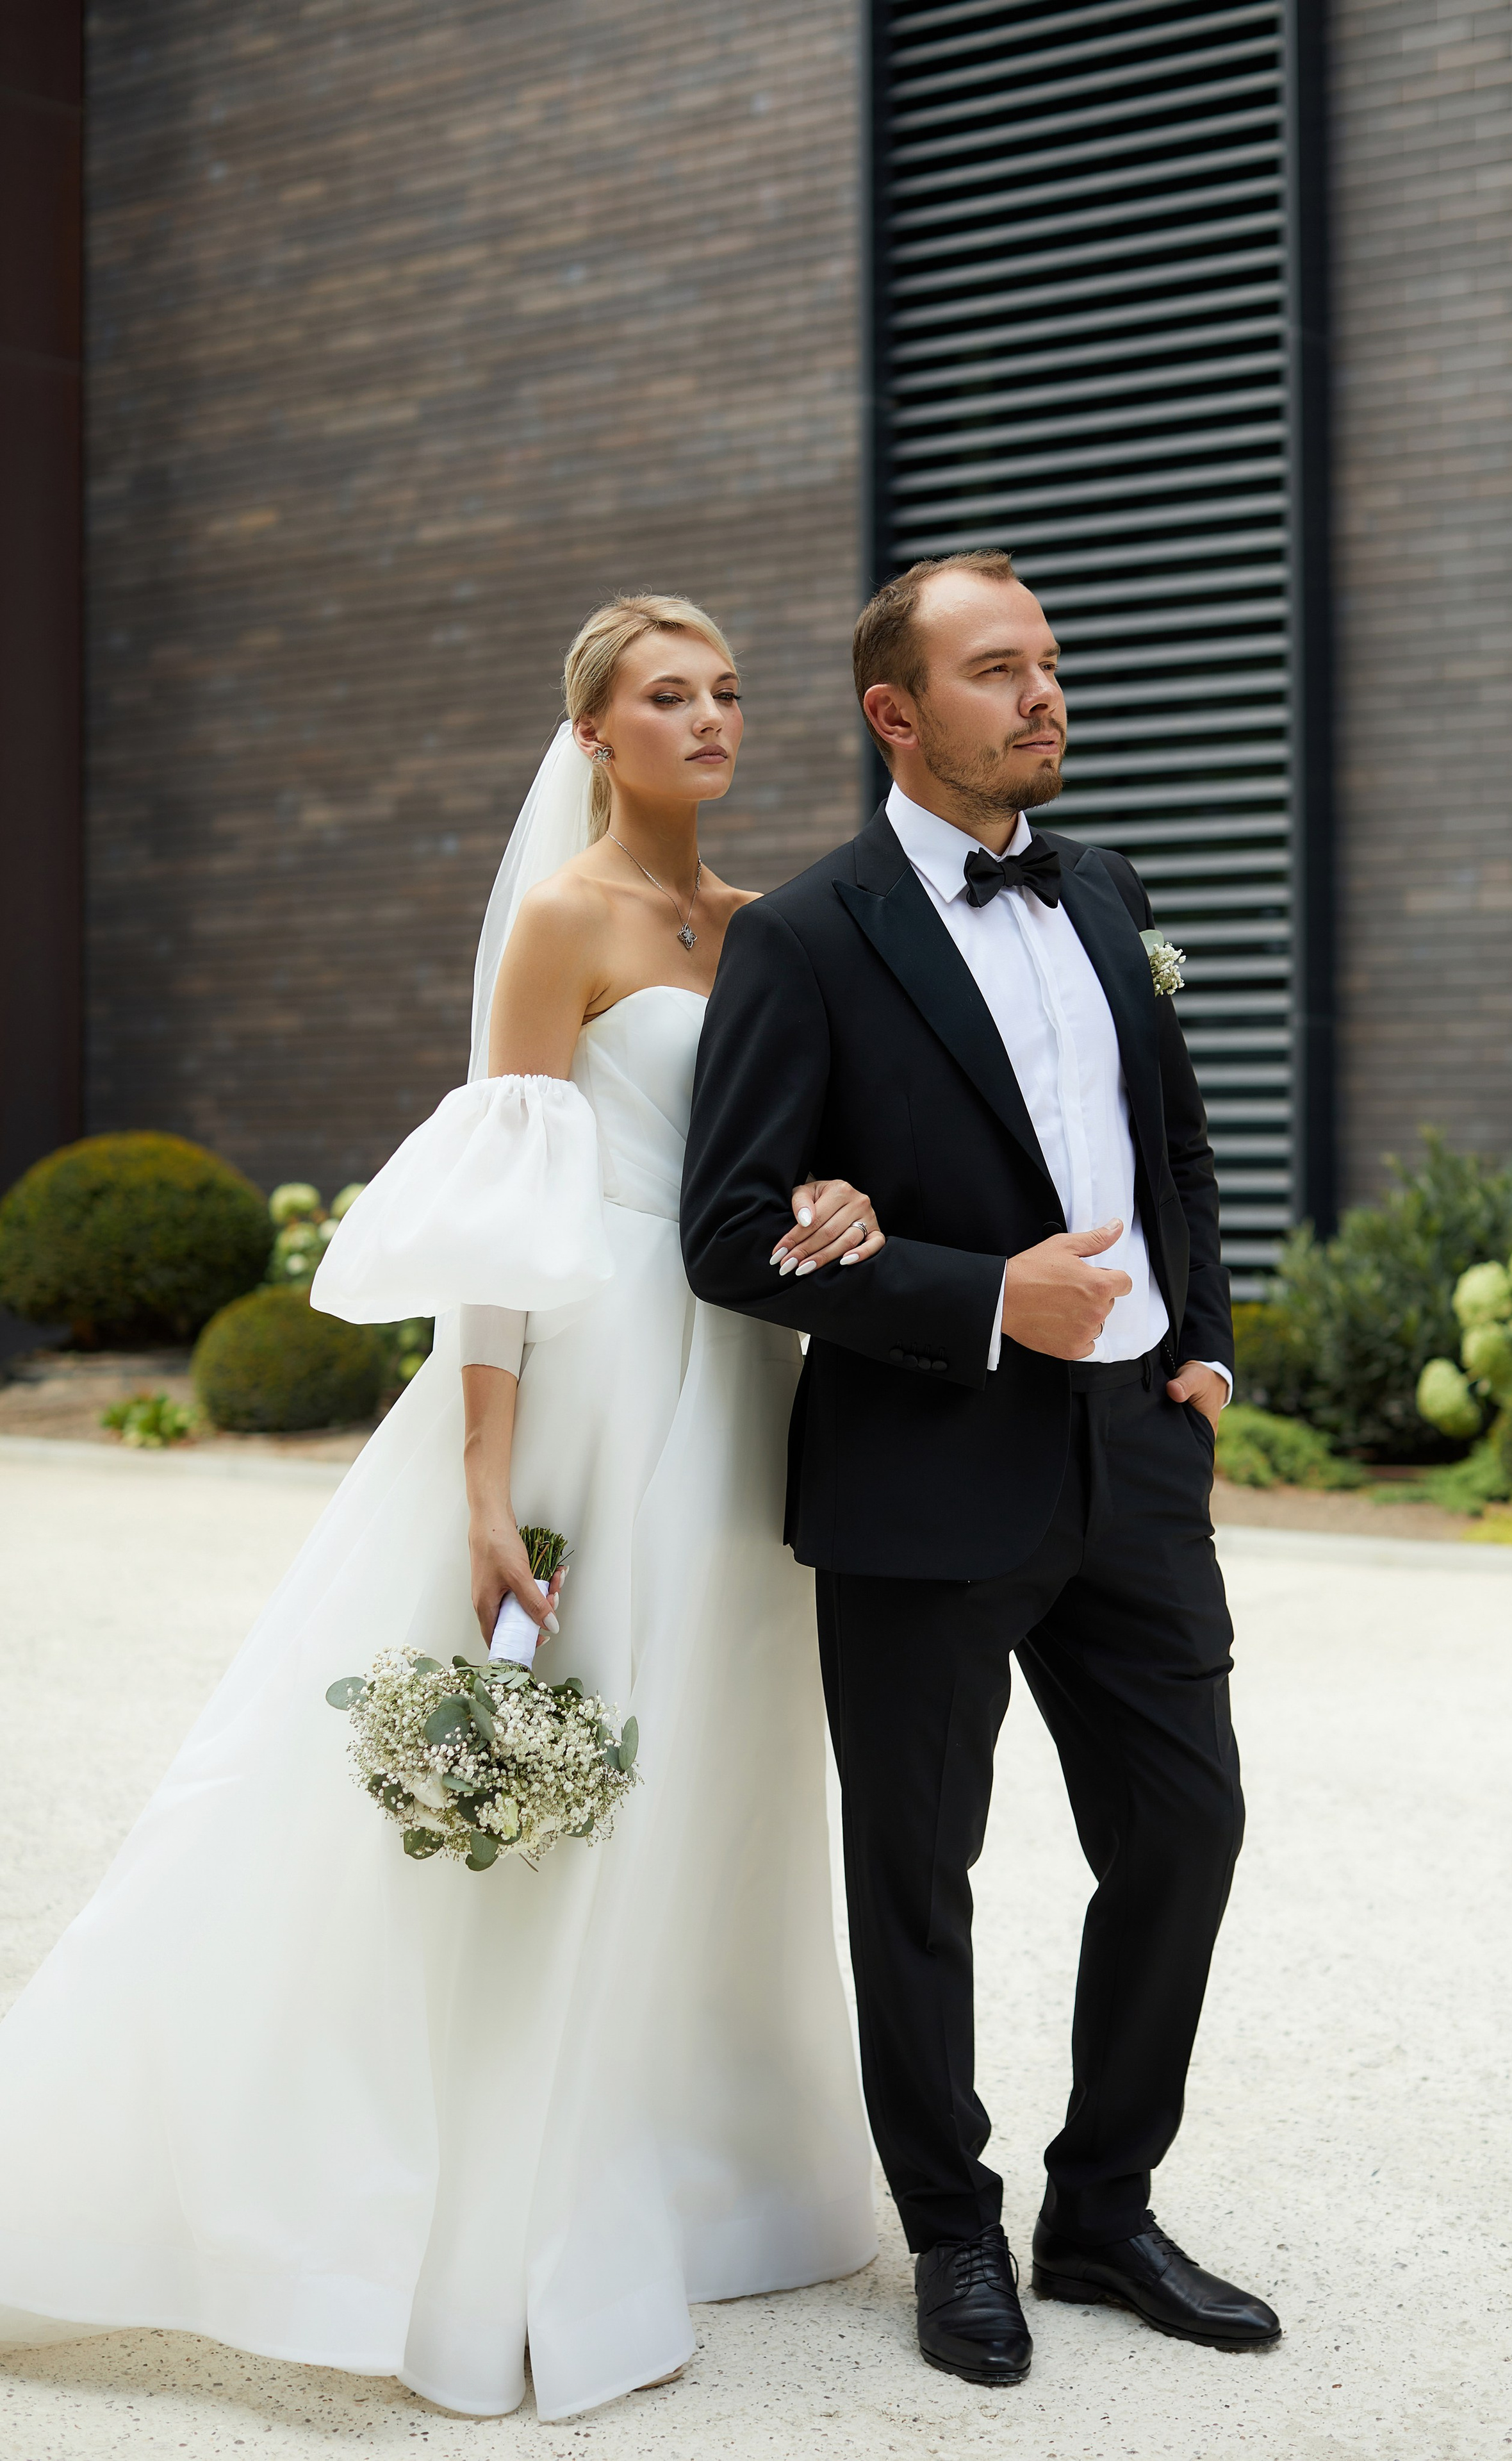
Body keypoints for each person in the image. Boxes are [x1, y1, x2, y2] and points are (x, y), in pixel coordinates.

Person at [0, 595, 879, 2421]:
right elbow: (501, 1212)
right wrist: (487, 1476)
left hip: (756, 1387)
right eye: (668, 695)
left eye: (727, 693)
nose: (711, 718)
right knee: (583, 1754)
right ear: (594, 735)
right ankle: (507, 2203)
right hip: (600, 1380)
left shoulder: (771, 926)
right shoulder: (563, 923)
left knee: (718, 1766)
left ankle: (707, 2162)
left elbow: (794, 1159)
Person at [680, 549, 1280, 2387]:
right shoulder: (806, 934)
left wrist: (1203, 1339)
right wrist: (974, 1297)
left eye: (1049, 662)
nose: (1045, 696)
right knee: (918, 1874)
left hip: (1133, 1464)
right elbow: (723, 1230)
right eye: (998, 670)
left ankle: (1103, 2210)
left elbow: (1168, 1135)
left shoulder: (1109, 891)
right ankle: (955, 2234)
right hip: (923, 1477)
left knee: (1187, 1826)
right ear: (897, 713)